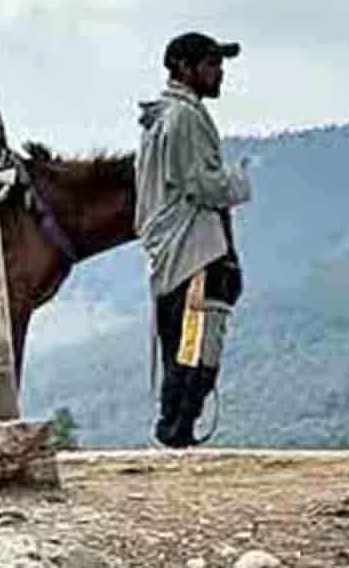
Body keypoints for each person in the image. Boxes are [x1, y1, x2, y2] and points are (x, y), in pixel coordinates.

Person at [135, 32, 252, 448]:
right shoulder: (184, 117)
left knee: (186, 340)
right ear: (184, 68)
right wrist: (238, 182)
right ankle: (176, 430)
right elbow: (200, 184)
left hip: (179, 247)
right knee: (199, 342)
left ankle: (175, 429)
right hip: (193, 248)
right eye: (211, 64)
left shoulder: (163, 117)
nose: (218, 73)